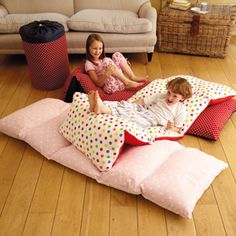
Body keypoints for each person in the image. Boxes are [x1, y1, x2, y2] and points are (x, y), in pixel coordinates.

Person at [88, 77, 193, 133]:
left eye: (175, 96)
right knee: (125, 105)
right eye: (169, 93)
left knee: (134, 118)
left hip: (152, 120)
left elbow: (179, 129)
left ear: (182, 98)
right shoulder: (161, 96)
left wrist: (172, 127)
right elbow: (143, 101)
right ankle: (100, 105)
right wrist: (129, 106)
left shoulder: (180, 110)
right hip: (144, 111)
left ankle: (103, 109)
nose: (169, 98)